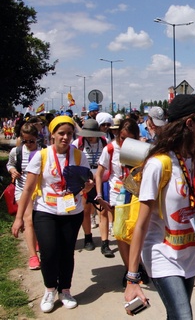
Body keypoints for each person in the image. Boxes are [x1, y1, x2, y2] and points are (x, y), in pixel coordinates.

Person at [123, 94, 195, 318]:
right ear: (189, 123)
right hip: (161, 254)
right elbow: (141, 225)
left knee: (176, 315)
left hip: (189, 255)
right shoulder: (159, 164)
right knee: (184, 316)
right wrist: (132, 278)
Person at [11, 116, 94, 313]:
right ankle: (50, 289)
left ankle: (65, 290)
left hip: (71, 211)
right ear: (52, 134)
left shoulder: (79, 155)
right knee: (48, 252)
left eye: (69, 134)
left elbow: (86, 181)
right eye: (61, 133)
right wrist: (18, 218)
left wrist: (88, 186)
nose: (65, 137)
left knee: (67, 253)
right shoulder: (42, 155)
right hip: (46, 211)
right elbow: (28, 188)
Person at [95, 118, 141, 283]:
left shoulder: (142, 150)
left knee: (136, 231)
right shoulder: (110, 149)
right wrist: (99, 195)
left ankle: (138, 265)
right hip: (118, 197)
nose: (125, 142)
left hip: (136, 195)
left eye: (130, 138)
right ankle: (129, 270)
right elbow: (99, 174)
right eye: (122, 137)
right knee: (121, 234)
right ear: (117, 135)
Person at [72, 119, 113, 256]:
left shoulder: (105, 143)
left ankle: (105, 243)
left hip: (101, 179)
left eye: (92, 133)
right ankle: (88, 238)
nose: (89, 136)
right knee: (85, 210)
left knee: (103, 211)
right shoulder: (78, 143)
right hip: (84, 181)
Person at [6, 123, 44, 270]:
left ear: (37, 139)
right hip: (22, 190)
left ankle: (36, 240)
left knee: (37, 220)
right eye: (25, 141)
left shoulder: (43, 152)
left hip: (40, 191)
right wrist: (12, 170)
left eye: (31, 141)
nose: (28, 144)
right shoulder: (16, 151)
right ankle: (33, 256)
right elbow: (10, 164)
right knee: (28, 220)